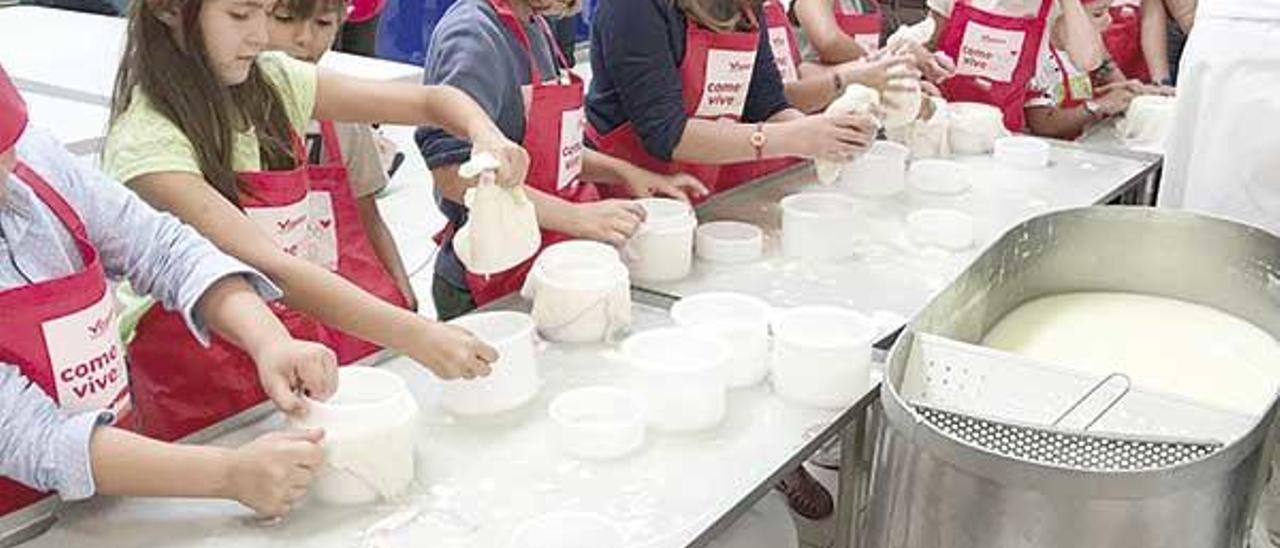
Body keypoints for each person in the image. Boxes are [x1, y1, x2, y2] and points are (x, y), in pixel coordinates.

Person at [102, 0, 528, 442]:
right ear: (168, 9)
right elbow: (271, 267)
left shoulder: (272, 81)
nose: (261, 37)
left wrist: (485, 133)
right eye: (239, 16)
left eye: (265, 13)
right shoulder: (148, 144)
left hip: (288, 346)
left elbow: (430, 99)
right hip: (196, 380)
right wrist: (417, 335)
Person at [0, 65, 335, 524]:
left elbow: (161, 248)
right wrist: (228, 474)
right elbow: (35, 436)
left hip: (125, 485)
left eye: (9, 143)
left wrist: (267, 338)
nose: (12, 165)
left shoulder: (36, 162)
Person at [418, 0, 709, 320]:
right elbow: (454, 175)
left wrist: (625, 173)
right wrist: (575, 217)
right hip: (492, 274)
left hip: (549, 258)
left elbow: (551, 147)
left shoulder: (534, 23)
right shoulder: (473, 36)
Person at [586, 0, 879, 202]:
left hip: (705, 184)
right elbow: (665, 133)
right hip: (635, 190)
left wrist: (824, 134)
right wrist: (791, 137)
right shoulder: (633, 7)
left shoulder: (745, 8)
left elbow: (767, 104)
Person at [266, 0, 419, 354]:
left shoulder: (343, 113)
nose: (305, 38)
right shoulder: (226, 113)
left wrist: (402, 290)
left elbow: (367, 215)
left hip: (346, 311)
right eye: (286, 19)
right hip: (264, 316)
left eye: (323, 23)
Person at [926, 0, 1109, 130]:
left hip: (1003, 133)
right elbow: (929, 44)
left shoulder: (1050, 7)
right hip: (943, 123)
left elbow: (1088, 60)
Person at [1023, 0, 1146, 139]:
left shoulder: (1092, 44)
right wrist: (1096, 106)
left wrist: (1129, 92)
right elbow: (1043, 124)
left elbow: (1109, 75)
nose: (1109, 20)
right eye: (1098, 13)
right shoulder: (1040, 56)